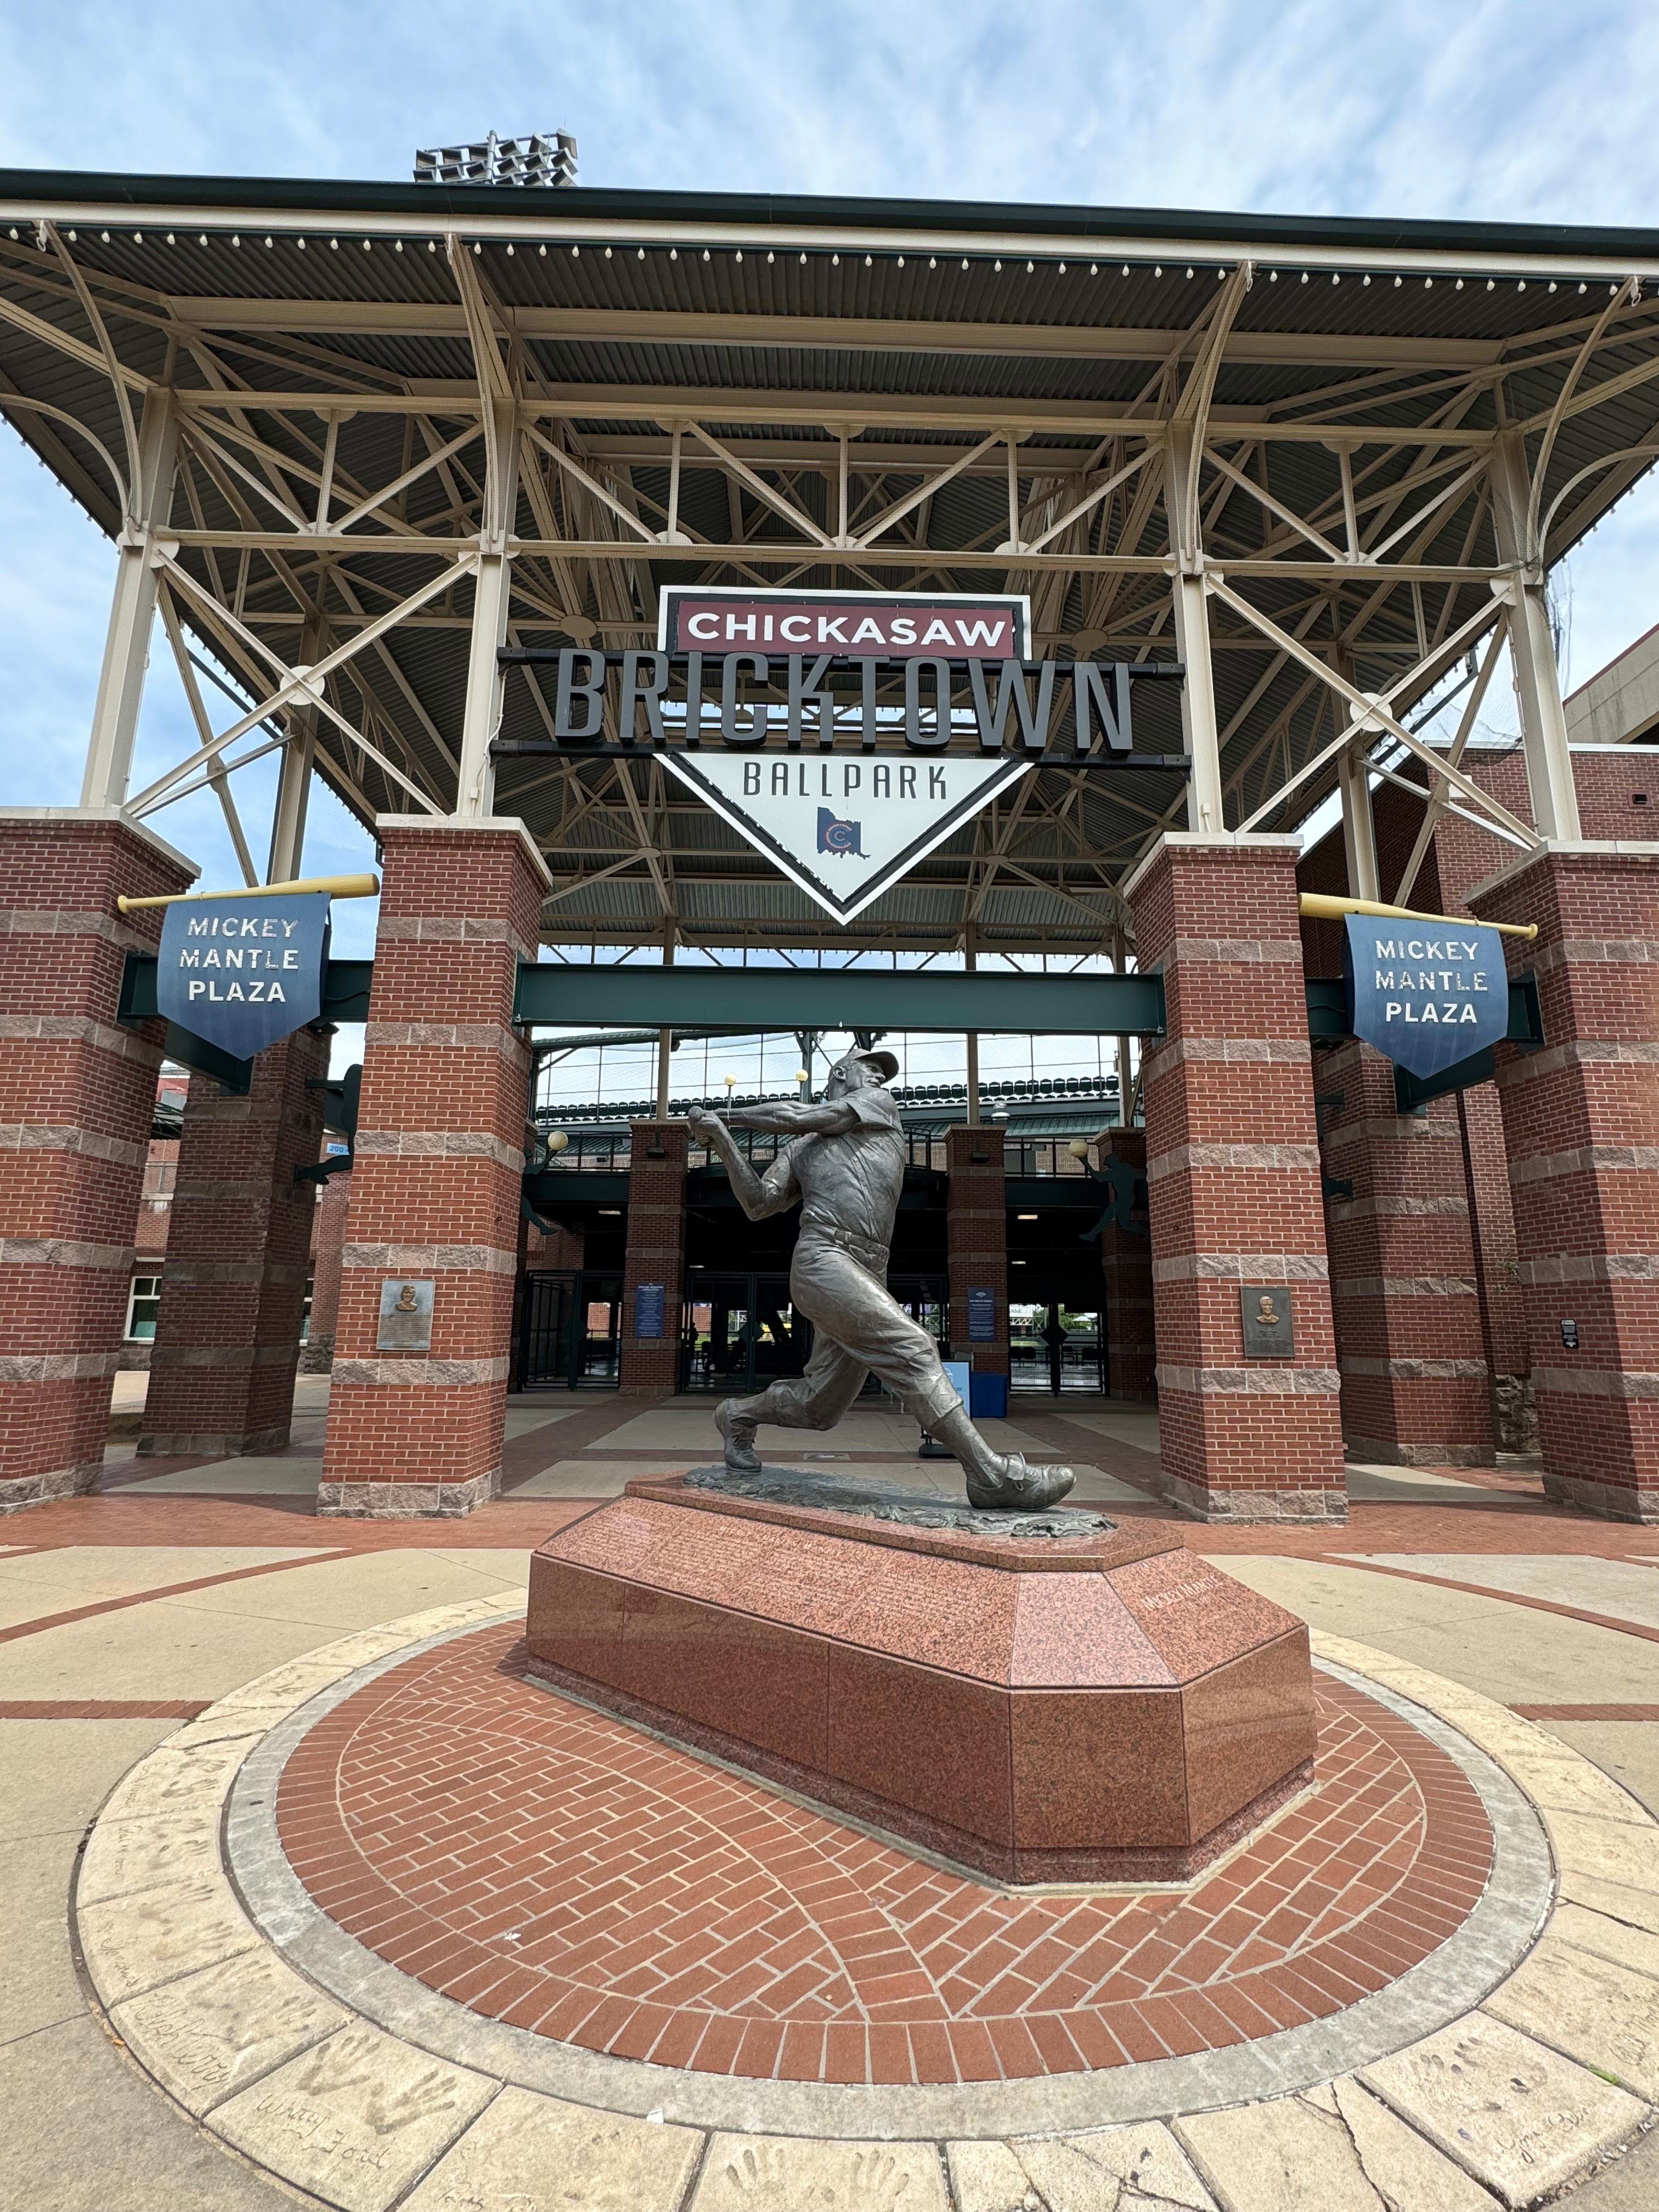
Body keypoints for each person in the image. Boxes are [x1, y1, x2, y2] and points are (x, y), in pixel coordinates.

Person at [686, 1046, 1074, 1509]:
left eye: (881, 1075)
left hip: (869, 1265)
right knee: (915, 1347)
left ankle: (735, 1415)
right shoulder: (800, 1149)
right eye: (870, 1070)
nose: (879, 1080)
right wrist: (722, 1141)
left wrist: (732, 1117)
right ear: (841, 1072)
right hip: (823, 1257)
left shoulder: (878, 1108)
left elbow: (794, 1114)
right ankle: (991, 1475)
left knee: (819, 1408)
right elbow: (758, 1203)